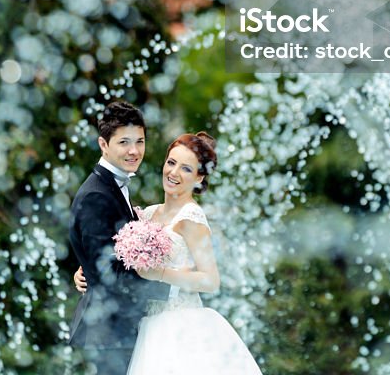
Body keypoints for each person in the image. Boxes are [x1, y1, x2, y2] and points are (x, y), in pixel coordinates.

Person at [75, 130, 264, 375]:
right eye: (171, 162)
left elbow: (210, 280)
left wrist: (161, 273)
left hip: (182, 326)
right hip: (146, 326)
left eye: (186, 169)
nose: (174, 173)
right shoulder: (147, 214)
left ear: (199, 177)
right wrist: (87, 269)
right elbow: (115, 256)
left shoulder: (192, 218)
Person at [68, 99, 168, 375]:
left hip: (118, 331)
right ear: (103, 145)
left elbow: (105, 259)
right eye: (124, 142)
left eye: (140, 141)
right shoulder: (96, 196)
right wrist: (171, 288)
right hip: (107, 336)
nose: (134, 151)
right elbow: (108, 277)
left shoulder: (113, 186)